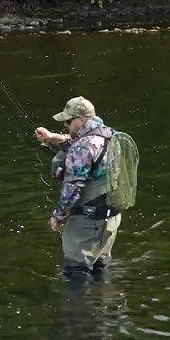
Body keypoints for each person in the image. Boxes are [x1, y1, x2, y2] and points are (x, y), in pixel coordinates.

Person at [35, 96, 122, 274]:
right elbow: (81, 142)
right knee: (100, 267)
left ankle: (77, 302)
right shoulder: (109, 134)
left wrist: (57, 216)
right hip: (110, 216)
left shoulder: (82, 148)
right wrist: (51, 138)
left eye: (68, 121)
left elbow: (72, 190)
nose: (66, 125)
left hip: (88, 221)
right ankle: (106, 299)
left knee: (76, 272)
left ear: (82, 119)